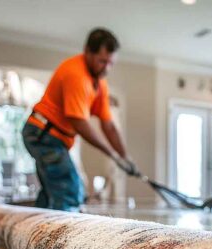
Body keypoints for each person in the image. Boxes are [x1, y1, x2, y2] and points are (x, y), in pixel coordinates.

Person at [22, 28, 138, 211]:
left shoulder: (99, 83)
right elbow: (79, 123)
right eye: (102, 61)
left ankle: (32, 232)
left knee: (52, 191)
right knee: (70, 188)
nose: (106, 68)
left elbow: (109, 126)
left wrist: (125, 156)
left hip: (52, 137)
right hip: (42, 133)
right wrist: (113, 154)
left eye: (110, 63)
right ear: (87, 52)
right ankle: (63, 237)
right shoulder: (76, 74)